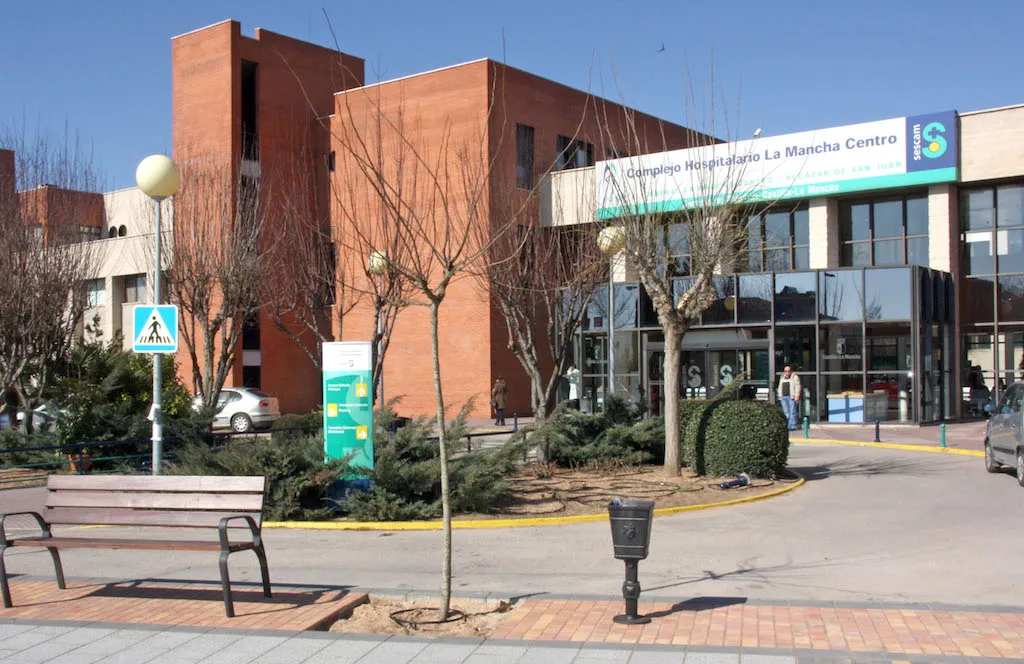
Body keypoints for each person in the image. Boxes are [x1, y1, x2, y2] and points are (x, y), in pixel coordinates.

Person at [777, 365, 802, 431]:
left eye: (788, 371)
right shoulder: (782, 377)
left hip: (791, 397)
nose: (787, 372)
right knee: (786, 413)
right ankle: (787, 425)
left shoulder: (795, 377)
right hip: (783, 397)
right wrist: (780, 395)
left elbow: (798, 387)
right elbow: (780, 387)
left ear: (791, 371)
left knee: (792, 412)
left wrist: (797, 395)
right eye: (785, 371)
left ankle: (792, 426)